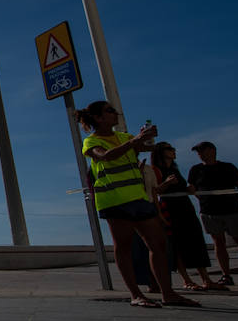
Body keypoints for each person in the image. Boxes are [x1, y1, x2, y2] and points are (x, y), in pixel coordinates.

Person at [76, 100, 192, 307]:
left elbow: (145, 148)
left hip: (138, 197)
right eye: (110, 111)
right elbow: (106, 157)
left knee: (158, 243)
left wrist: (148, 139)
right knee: (124, 247)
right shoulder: (91, 141)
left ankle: (168, 292)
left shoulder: (123, 137)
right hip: (114, 200)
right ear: (98, 118)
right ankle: (136, 294)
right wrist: (134, 141)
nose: (116, 113)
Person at [149, 143, 221, 292]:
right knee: (177, 243)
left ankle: (205, 279)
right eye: (169, 149)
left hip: (185, 206)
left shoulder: (175, 169)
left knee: (195, 241)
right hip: (169, 207)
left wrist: (188, 189)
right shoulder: (155, 170)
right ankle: (186, 279)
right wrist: (167, 183)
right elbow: (154, 191)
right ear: (161, 152)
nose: (173, 150)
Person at [187, 140, 238, 286]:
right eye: (199, 152)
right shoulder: (195, 170)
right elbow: (193, 188)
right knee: (218, 243)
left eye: (203, 151)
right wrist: (204, 200)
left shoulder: (228, 167)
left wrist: (234, 201)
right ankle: (226, 275)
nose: (200, 155)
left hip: (231, 210)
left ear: (212, 151)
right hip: (209, 211)